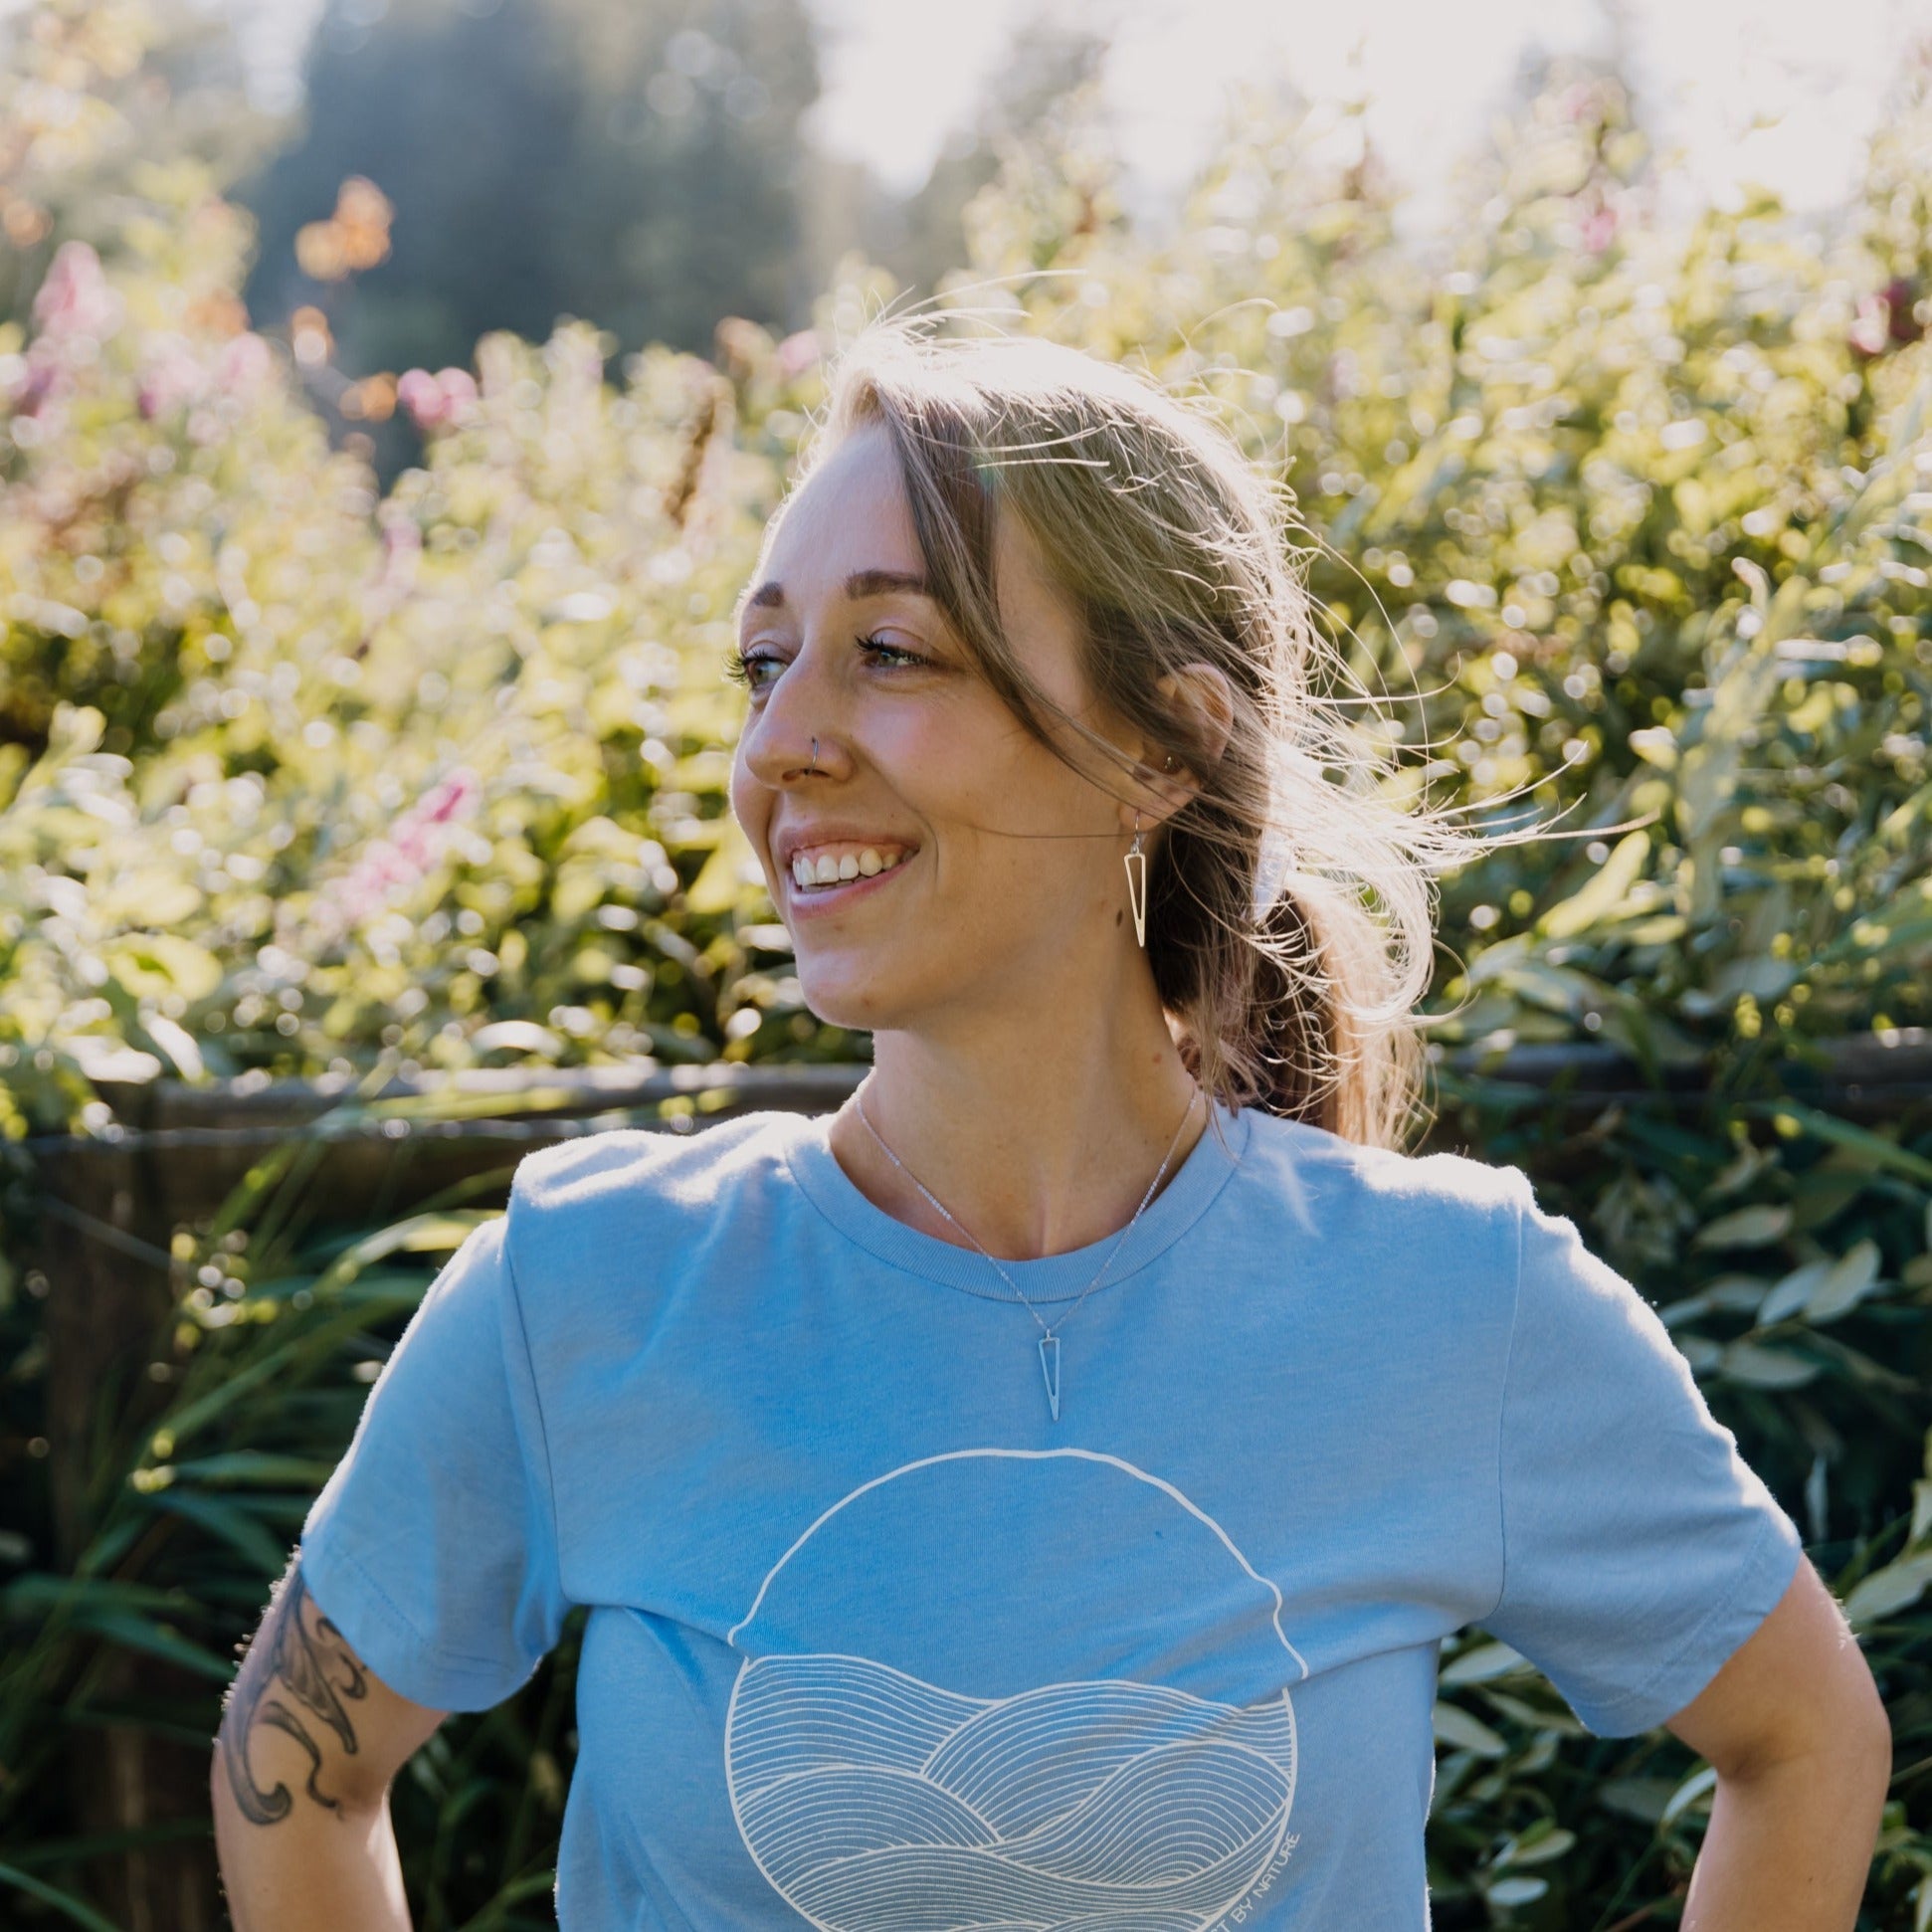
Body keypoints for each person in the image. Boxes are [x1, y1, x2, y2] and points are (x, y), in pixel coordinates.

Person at [211, 314, 1889, 1930]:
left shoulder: (1458, 1299)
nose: (779, 744)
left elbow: (1806, 1739)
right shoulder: (583, 1288)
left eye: (889, 651)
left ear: (1160, 747)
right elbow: (293, 1775)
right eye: (762, 662)